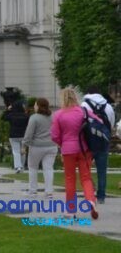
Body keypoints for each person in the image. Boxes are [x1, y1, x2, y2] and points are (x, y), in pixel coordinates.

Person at [52, 87, 99, 219]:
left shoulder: (59, 115)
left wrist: (63, 143)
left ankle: (71, 210)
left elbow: (54, 135)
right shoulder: (84, 111)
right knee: (86, 177)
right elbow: (98, 123)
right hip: (84, 149)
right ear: (75, 97)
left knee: (70, 179)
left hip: (68, 150)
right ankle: (90, 200)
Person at [81, 88, 116, 204]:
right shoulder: (108, 106)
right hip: (103, 141)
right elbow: (111, 123)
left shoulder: (84, 104)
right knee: (102, 170)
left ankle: (90, 192)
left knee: (85, 169)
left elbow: (81, 121)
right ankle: (101, 196)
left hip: (88, 141)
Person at [24, 97, 57, 197]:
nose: (34, 106)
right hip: (51, 145)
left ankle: (33, 191)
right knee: (48, 168)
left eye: (35, 104)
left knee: (33, 167)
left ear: (38, 106)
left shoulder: (34, 117)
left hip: (36, 146)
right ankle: (49, 191)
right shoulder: (53, 117)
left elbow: (29, 133)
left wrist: (24, 144)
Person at [2, 100, 29, 173]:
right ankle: (22, 167)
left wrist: (7, 110)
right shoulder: (26, 116)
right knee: (23, 151)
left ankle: (18, 167)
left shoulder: (11, 115)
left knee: (16, 151)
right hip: (23, 135)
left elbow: (3, 118)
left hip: (13, 135)